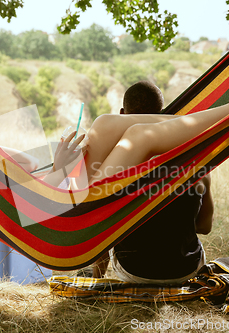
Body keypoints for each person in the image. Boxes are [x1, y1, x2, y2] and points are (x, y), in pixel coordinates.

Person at [0, 52, 229, 282]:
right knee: (143, 139)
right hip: (62, 216)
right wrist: (64, 167)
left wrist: (63, 160)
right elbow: (28, 210)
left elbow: (28, 183)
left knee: (104, 124)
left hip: (64, 197)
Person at [90, 80, 213, 283]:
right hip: (186, 270)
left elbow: (100, 230)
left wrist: (97, 281)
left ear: (122, 114)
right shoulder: (195, 164)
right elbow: (205, 227)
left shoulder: (112, 170)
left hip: (134, 272)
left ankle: (97, 278)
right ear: (161, 114)